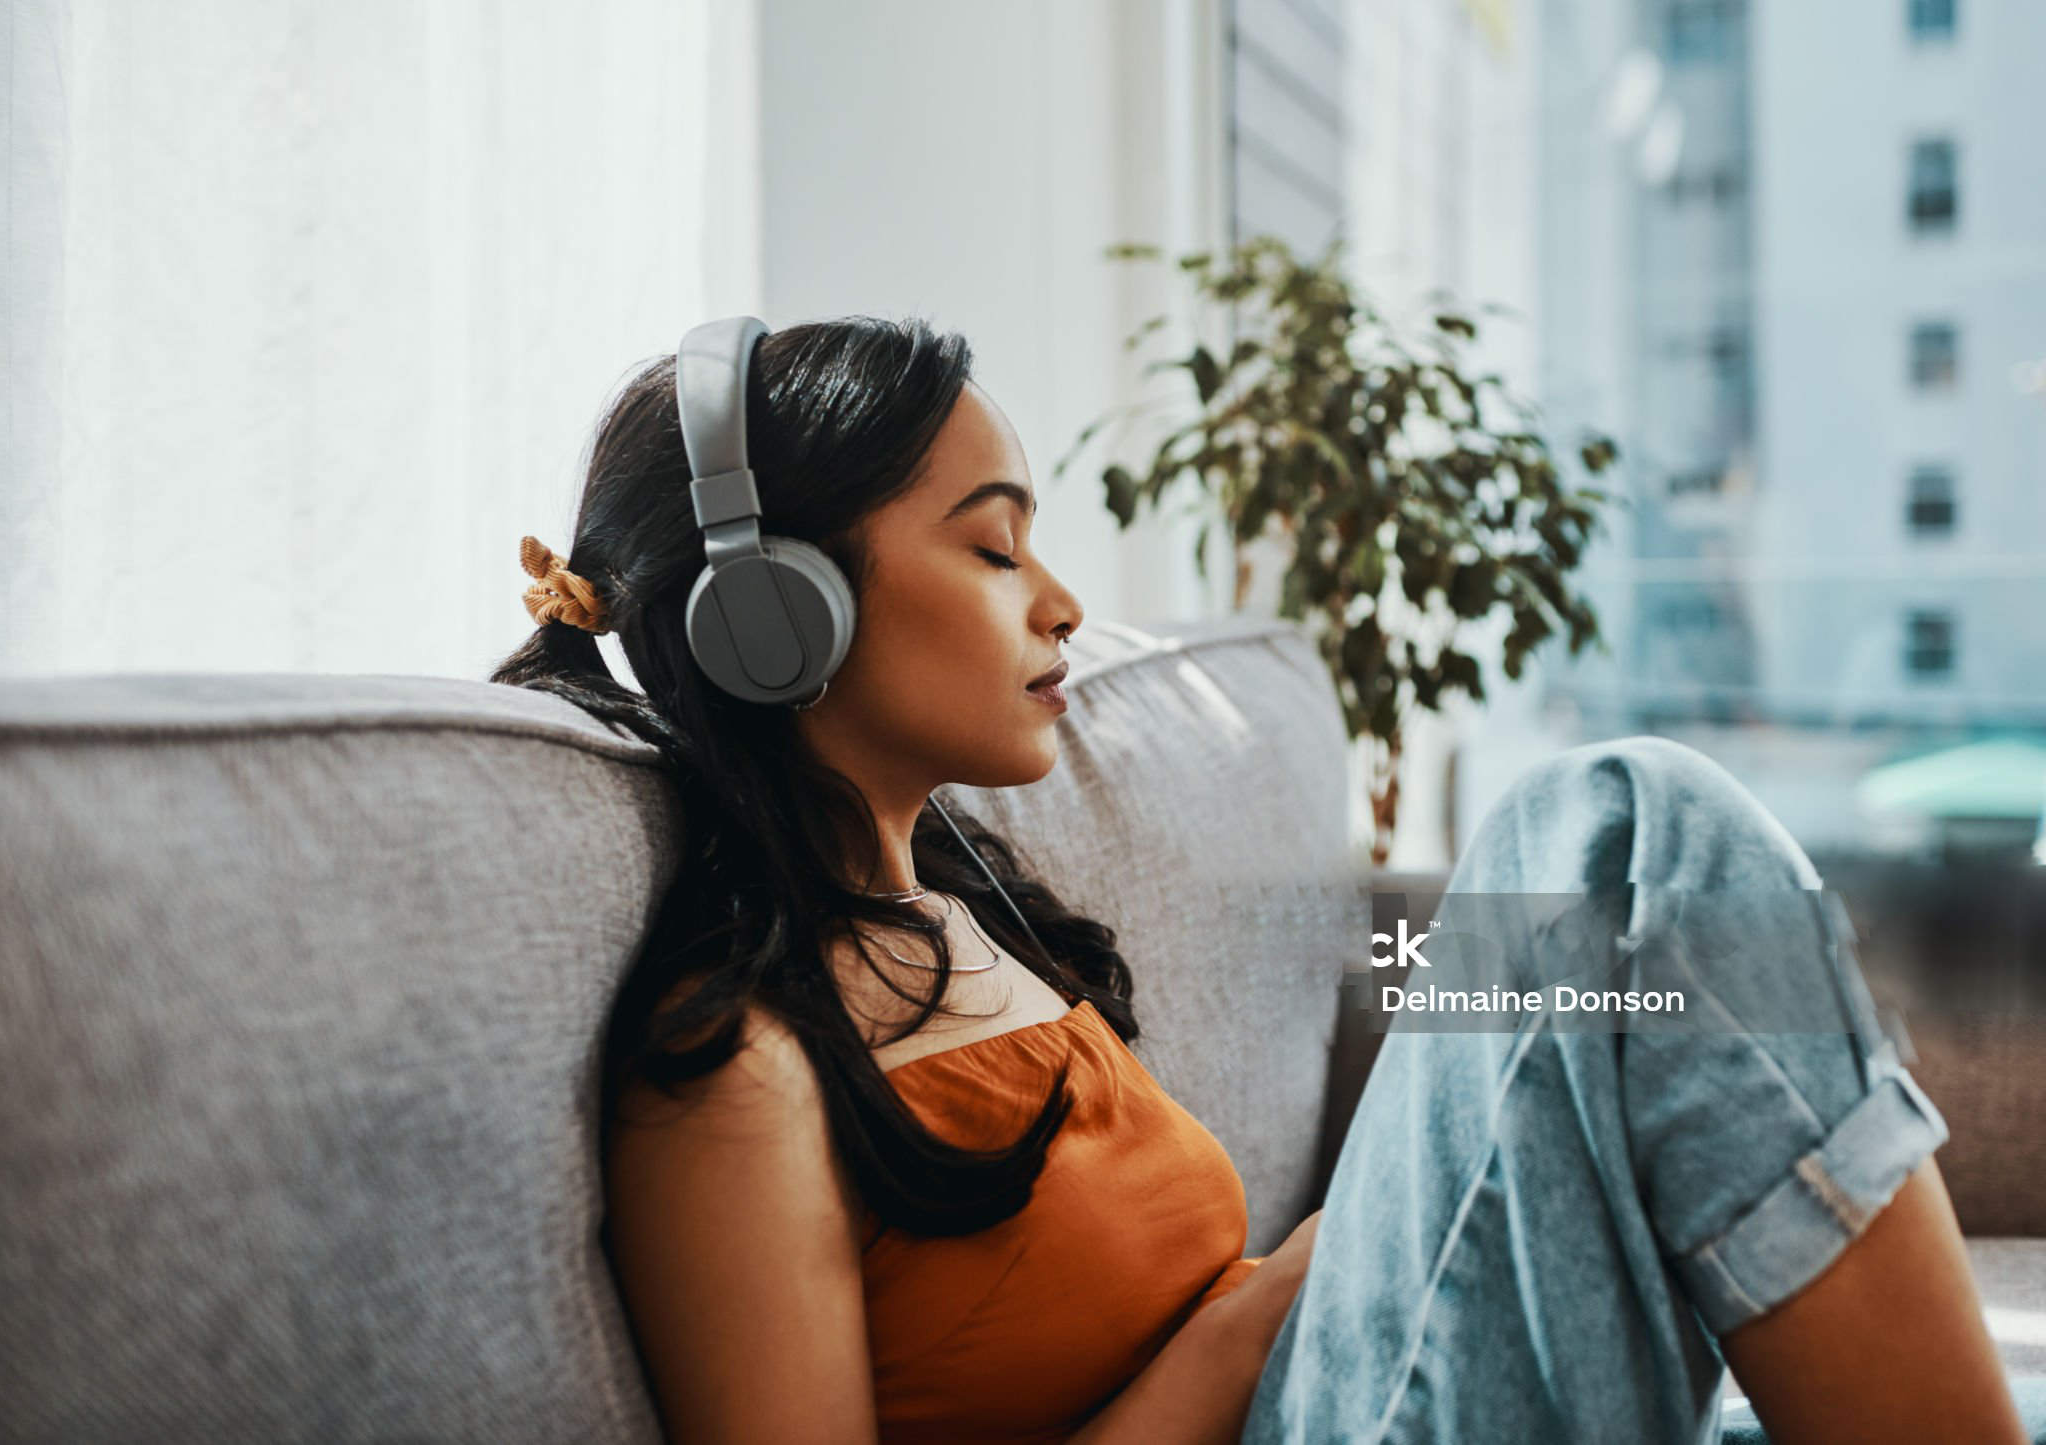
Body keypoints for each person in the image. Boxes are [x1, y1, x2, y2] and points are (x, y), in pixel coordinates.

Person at [490, 315, 2026, 1444]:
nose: (1064, 603)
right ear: (780, 617)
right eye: (996, 550)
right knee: (1618, 836)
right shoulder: (735, 1077)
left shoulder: (973, 923)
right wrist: (1234, 1335)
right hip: (1293, 1398)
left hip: (1333, 1381)